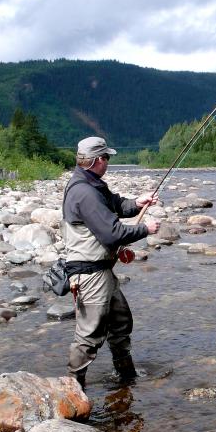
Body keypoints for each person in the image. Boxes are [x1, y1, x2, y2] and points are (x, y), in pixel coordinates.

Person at [61, 136, 159, 387]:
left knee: (121, 322)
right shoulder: (84, 193)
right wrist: (145, 229)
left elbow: (116, 204)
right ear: (96, 160)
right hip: (90, 274)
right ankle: (73, 388)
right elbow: (112, 234)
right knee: (89, 336)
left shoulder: (92, 184)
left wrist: (137, 203)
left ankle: (126, 378)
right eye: (106, 158)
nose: (108, 162)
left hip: (102, 271)